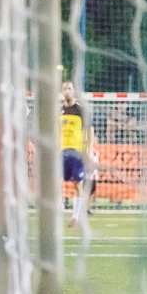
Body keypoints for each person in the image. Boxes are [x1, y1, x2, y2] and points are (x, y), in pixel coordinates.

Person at [62, 81, 95, 229]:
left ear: (73, 91)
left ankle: (75, 217)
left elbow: (89, 132)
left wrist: (88, 152)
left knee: (77, 184)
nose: (67, 91)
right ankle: (57, 214)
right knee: (57, 183)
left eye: (69, 88)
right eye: (64, 89)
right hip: (61, 152)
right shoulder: (58, 111)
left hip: (77, 152)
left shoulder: (81, 110)